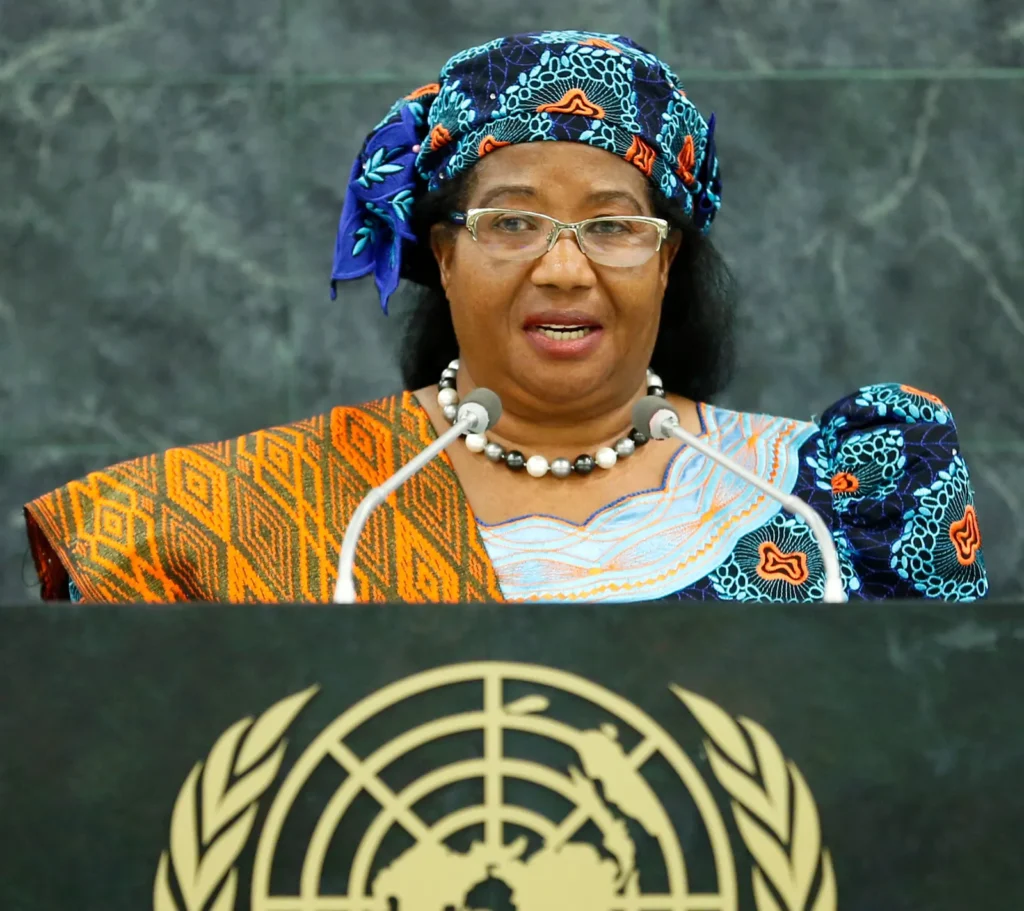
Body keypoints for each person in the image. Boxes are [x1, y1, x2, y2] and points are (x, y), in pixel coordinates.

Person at [24, 30, 987, 603]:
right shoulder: (301, 512)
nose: (563, 269)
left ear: (668, 258)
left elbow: (928, 814)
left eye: (613, 225)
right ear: (443, 253)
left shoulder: (819, 506)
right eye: (512, 220)